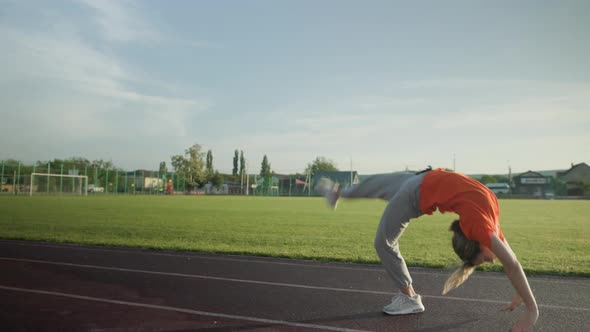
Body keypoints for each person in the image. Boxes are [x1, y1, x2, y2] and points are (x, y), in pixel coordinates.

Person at [315, 167, 538, 332]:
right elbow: (512, 265)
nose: (492, 260)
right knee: (383, 242)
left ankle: (340, 193)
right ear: (476, 241)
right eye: (484, 261)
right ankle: (409, 298)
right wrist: (531, 311)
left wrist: (520, 291)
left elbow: (512, 263)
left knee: (375, 186)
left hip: (421, 179)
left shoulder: (488, 223)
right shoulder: (480, 227)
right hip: (415, 190)